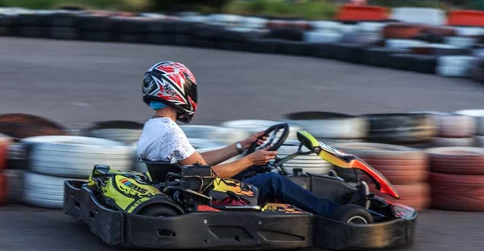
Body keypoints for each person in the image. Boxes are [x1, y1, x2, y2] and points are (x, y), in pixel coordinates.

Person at [136, 61, 370, 216]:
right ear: (176, 92)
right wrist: (250, 159)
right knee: (272, 180)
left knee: (256, 173)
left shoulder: (154, 127)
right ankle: (334, 211)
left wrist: (241, 147)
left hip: (182, 187)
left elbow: (195, 164)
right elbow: (202, 175)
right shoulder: (170, 132)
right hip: (200, 194)